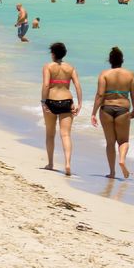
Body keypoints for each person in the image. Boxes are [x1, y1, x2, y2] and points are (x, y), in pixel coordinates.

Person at [92, 46, 134, 179]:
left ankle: (112, 172)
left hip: (106, 109)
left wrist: (93, 113)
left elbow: (100, 95)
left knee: (110, 142)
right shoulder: (130, 75)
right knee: (123, 141)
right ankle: (122, 160)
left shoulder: (104, 74)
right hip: (123, 110)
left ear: (110, 60)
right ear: (122, 60)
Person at [41, 42, 83, 175]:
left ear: (53, 54)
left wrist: (43, 102)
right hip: (66, 101)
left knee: (50, 134)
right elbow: (77, 86)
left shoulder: (48, 66)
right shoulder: (70, 68)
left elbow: (46, 85)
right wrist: (80, 103)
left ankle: (51, 163)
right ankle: (67, 163)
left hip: (51, 101)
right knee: (65, 135)